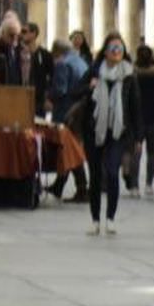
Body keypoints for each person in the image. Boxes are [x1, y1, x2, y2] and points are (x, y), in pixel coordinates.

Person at [76, 32, 142, 236]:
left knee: (112, 172)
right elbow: (75, 92)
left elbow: (135, 106)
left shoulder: (129, 75)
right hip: (94, 130)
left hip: (118, 132)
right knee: (95, 175)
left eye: (120, 49)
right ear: (105, 52)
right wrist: (89, 88)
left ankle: (111, 217)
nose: (116, 52)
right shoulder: (94, 72)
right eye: (113, 49)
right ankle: (95, 219)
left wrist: (138, 137)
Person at [44, 38, 89, 204]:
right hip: (81, 110)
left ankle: (82, 188)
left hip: (67, 111)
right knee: (72, 148)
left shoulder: (63, 64)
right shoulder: (81, 62)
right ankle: (60, 185)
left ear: (56, 52)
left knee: (70, 149)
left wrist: (48, 95)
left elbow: (60, 89)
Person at [129, 44, 154, 198]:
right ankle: (148, 184)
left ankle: (134, 185)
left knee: (136, 152)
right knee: (151, 153)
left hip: (137, 117)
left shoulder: (133, 73)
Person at [23, 22, 52, 116]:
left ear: (33, 33)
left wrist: (48, 98)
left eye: (25, 31)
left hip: (38, 98)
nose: (22, 34)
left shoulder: (44, 55)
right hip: (22, 95)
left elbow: (50, 76)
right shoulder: (19, 53)